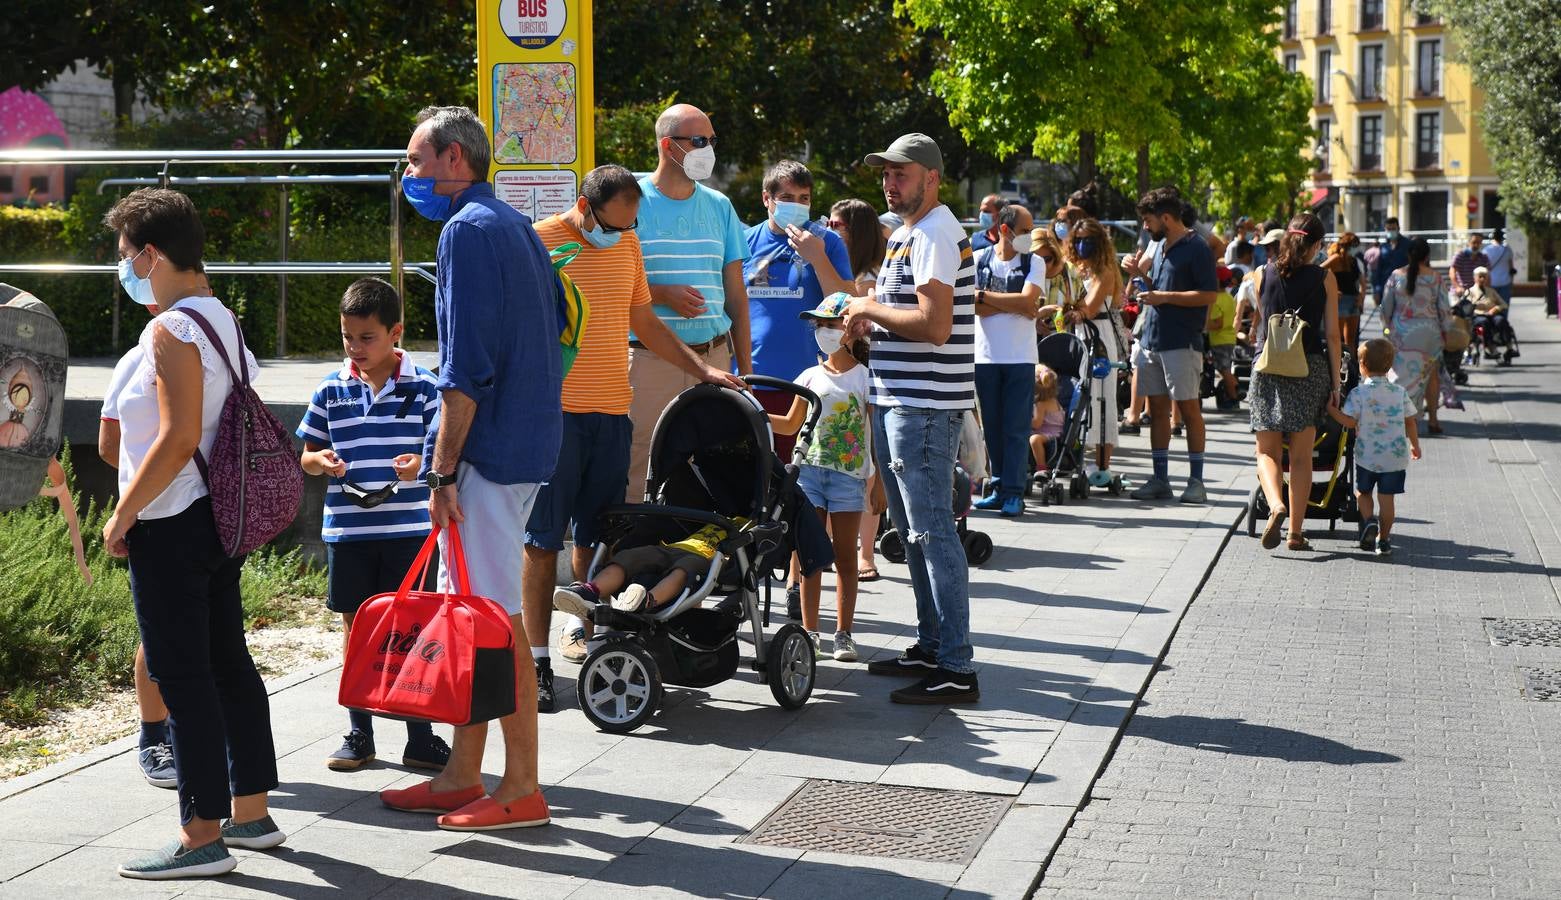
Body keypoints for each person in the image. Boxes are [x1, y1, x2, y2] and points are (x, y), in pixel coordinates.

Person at [378, 106, 557, 832]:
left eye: (416, 161)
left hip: (490, 450)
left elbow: (464, 369)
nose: (410, 176)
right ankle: (461, 773)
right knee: (475, 613)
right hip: (524, 439)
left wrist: (440, 470)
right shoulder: (511, 224)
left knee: (493, 618)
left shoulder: (465, 231)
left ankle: (519, 788)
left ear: (455, 159)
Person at [101, 188, 282, 879]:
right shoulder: (221, 319)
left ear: (151, 254)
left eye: (127, 257)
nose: (127, 271)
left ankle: (201, 834)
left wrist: (123, 515)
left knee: (185, 676)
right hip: (217, 518)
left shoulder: (170, 328)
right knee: (228, 663)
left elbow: (177, 437)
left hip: (171, 521)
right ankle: (253, 813)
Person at [526, 166, 740, 702]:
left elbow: (644, 323)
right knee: (543, 541)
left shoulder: (627, 243)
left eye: (632, 224)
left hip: (611, 414)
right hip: (555, 417)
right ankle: (536, 663)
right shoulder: (540, 240)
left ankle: (593, 638)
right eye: (615, 223)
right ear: (583, 205)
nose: (624, 233)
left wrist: (704, 368)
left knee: (602, 535)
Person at [843, 132, 979, 704]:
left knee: (931, 532)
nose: (889, 183)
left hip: (922, 405)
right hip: (902, 396)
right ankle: (931, 644)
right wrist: (866, 325)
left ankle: (955, 665)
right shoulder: (908, 234)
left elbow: (935, 325)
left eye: (901, 173)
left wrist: (868, 306)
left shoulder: (935, 233)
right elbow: (914, 321)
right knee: (913, 533)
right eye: (886, 174)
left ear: (931, 178)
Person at [296, 278, 449, 769]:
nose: (356, 348)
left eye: (367, 338)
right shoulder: (330, 389)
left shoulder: (426, 388)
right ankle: (359, 733)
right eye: (348, 337)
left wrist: (418, 470)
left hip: (409, 532)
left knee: (413, 630)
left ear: (395, 332)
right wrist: (321, 461)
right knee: (357, 629)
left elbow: (439, 453)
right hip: (350, 531)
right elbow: (307, 454)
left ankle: (419, 735)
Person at [629, 103, 752, 501]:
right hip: (649, 361)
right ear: (668, 146)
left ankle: (694, 560)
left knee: (712, 468)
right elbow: (607, 278)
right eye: (700, 141)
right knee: (640, 467)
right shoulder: (629, 198)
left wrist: (746, 373)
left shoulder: (720, 205)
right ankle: (630, 558)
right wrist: (662, 293)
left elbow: (736, 295)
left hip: (714, 361)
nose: (710, 149)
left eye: (712, 140)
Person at [768, 293, 884, 662]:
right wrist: (751, 409)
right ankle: (810, 631)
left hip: (849, 477)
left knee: (845, 558)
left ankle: (844, 633)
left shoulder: (867, 378)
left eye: (831, 325)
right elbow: (789, 423)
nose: (824, 332)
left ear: (851, 329)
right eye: (820, 325)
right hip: (810, 476)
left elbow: (876, 434)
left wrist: (879, 481)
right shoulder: (809, 376)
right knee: (809, 557)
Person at [99, 329, 176, 791]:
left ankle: (185, 732)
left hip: (207, 515)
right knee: (159, 631)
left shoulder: (219, 350)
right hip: (154, 516)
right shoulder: (135, 360)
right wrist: (148, 486)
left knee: (204, 631)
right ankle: (152, 735)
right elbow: (110, 446)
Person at [744, 159, 855, 456]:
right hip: (753, 380)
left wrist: (817, 258)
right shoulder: (744, 242)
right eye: (788, 198)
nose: (798, 205)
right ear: (767, 199)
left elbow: (847, 303)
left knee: (802, 481)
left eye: (804, 198)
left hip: (809, 383)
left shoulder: (827, 242)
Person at [1248, 214, 1341, 552]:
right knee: (1302, 456)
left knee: (1266, 451)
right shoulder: (1326, 278)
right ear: (1316, 245)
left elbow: (1263, 327)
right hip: (1309, 368)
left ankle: (1275, 505)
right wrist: (1336, 383)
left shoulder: (1260, 275)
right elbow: (1332, 335)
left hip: (1267, 367)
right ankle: (1295, 533)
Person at [1124, 186, 1218, 504]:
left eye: (1149, 221)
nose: (1146, 227)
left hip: (1182, 342)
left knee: (1189, 409)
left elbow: (1207, 295)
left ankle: (1196, 481)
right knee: (1159, 409)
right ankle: (1160, 479)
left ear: (1166, 217)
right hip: (1153, 340)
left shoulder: (1197, 248)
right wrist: (1140, 278)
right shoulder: (1162, 244)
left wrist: (1163, 297)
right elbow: (1161, 289)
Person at [826, 198, 889, 582]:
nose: (830, 231)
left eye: (838, 225)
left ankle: (865, 553)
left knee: (864, 461)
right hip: (840, 372)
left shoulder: (867, 276)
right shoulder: (839, 267)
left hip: (865, 372)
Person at [971, 202, 1043, 517]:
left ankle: (1015, 491)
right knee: (993, 427)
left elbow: (1030, 302)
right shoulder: (977, 260)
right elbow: (973, 305)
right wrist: (1014, 305)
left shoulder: (1034, 261)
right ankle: (999, 487)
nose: (1030, 235)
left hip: (1020, 357)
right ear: (1005, 229)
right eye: (1025, 231)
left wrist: (987, 297)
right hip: (986, 357)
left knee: (1016, 427)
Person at [1327, 338, 1420, 556]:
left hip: (1367, 455)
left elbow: (1349, 422)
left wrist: (1331, 411)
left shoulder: (1358, 393)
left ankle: (1369, 521)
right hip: (1395, 458)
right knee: (1387, 500)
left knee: (1363, 492)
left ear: (1362, 365)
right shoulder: (1399, 393)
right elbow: (1411, 421)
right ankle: (1384, 539)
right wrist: (1415, 445)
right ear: (1390, 365)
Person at [551, 518, 749, 618]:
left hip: (714, 558)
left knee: (684, 570)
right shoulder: (707, 519)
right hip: (675, 547)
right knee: (630, 557)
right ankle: (589, 591)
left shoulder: (745, 523)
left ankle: (646, 601)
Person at [1063, 218, 1126, 484]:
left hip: (1098, 337)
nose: (1082, 244)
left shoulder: (1105, 271)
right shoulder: (1075, 268)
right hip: (1078, 337)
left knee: (1102, 399)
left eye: (1088, 238)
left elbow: (1087, 308)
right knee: (1080, 397)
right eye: (1078, 239)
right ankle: (1075, 460)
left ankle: (1103, 464)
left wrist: (1068, 308)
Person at [1381, 237, 1452, 434]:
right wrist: (1445, 331)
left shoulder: (1396, 276)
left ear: (1408, 254)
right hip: (1429, 333)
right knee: (1431, 376)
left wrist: (1387, 327)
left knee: (1399, 374)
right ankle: (1433, 421)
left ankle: (1399, 418)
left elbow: (1386, 307)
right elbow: (1445, 309)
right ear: (1427, 255)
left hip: (1401, 333)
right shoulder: (1436, 278)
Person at [828, 198, 888, 295]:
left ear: (857, 231)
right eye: (827, 224)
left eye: (834, 225)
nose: (828, 230)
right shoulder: (858, 272)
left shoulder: (866, 282)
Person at [1324, 232, 1365, 352]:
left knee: (1351, 340)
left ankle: (1351, 368)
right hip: (1340, 301)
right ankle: (1339, 367)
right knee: (1339, 339)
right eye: (1354, 245)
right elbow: (1319, 272)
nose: (1355, 248)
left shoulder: (1353, 261)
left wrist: (1361, 296)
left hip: (1353, 300)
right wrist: (1332, 291)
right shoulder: (1336, 258)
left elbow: (1362, 281)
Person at [1206, 270, 1239, 411]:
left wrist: (1202, 325)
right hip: (1228, 337)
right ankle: (1235, 390)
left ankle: (1234, 397)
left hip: (1220, 339)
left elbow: (1217, 324)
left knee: (1224, 369)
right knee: (1225, 368)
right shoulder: (1228, 297)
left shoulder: (1216, 299)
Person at [1464, 266, 1514, 357]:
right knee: (1483, 323)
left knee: (1501, 320)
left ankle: (1509, 347)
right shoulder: (1469, 292)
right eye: (1480, 276)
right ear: (1475, 277)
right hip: (1478, 316)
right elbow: (1466, 306)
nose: (1482, 279)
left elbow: (1504, 304)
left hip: (1492, 315)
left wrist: (1495, 309)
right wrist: (1476, 305)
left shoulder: (1491, 291)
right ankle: (1491, 348)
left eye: (1484, 277)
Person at [1028, 364, 1064, 475]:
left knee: (1034, 439)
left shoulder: (1042, 405)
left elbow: (1037, 424)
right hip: (1049, 431)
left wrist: (1024, 420)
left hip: (1051, 434)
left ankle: (1041, 468)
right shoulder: (1053, 400)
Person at [1371, 217, 1409, 303]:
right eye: (1388, 229)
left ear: (1398, 228)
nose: (1391, 231)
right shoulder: (1383, 247)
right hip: (1386, 288)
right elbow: (1379, 269)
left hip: (1403, 288)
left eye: (1393, 229)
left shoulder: (1408, 245)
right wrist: (1377, 290)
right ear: (1385, 230)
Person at [1450, 232, 1490, 296]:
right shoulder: (1460, 255)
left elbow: (1488, 275)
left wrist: (1487, 290)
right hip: (1461, 292)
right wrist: (1457, 287)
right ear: (1468, 243)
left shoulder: (1483, 257)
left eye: (1479, 243)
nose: (1476, 245)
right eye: (1474, 242)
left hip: (1476, 293)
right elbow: (1452, 272)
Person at [1484, 227, 1516, 304]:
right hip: (1505, 282)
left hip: (1491, 282)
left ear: (1492, 237)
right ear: (1502, 237)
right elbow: (1511, 268)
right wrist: (1511, 283)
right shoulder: (1507, 250)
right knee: (1504, 306)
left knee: (1492, 307)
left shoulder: (1486, 250)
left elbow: (1484, 268)